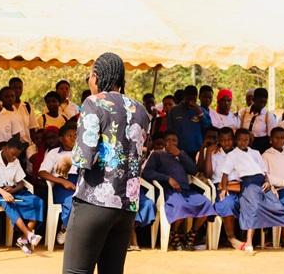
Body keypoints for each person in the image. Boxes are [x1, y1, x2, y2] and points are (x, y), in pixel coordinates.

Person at [64, 53, 148, 274]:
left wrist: (66, 158)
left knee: (75, 271)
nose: (89, 83)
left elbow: (84, 156)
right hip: (127, 207)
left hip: (95, 201)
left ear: (97, 77)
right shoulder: (140, 109)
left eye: (89, 78)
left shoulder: (93, 103)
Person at [219, 128, 284, 255]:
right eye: (240, 140)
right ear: (236, 140)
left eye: (246, 140)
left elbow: (264, 171)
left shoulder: (255, 153)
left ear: (249, 140)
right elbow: (225, 174)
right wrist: (224, 188)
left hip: (263, 183)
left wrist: (268, 182)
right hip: (249, 184)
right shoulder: (232, 155)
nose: (243, 142)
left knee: (279, 208)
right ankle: (249, 243)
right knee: (254, 209)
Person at [142, 131, 216, 251]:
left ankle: (191, 234)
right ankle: (174, 233)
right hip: (168, 191)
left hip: (186, 191)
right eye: (168, 140)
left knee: (206, 203)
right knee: (180, 205)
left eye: (174, 140)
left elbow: (194, 170)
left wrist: (180, 155)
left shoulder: (181, 154)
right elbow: (147, 173)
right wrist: (168, 178)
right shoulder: (157, 154)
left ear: (178, 142)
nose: (171, 143)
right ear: (164, 142)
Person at [0, 137, 44, 254]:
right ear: (5, 148)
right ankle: (28, 235)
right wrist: (3, 193)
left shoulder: (16, 162)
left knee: (38, 202)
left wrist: (13, 190)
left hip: (13, 191)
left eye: (17, 155)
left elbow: (20, 184)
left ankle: (24, 238)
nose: (14, 157)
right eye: (13, 154)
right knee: (8, 202)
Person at [202, 127, 244, 249]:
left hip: (239, 186)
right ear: (218, 140)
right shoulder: (215, 154)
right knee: (227, 202)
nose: (226, 143)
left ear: (234, 139)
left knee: (251, 201)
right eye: (223, 140)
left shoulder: (240, 153)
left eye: (229, 139)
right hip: (221, 187)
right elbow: (208, 174)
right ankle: (232, 237)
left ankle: (248, 237)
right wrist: (208, 152)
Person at [37, 125, 77, 245]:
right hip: (63, 183)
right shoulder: (54, 153)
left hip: (81, 182)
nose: (73, 139)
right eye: (69, 136)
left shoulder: (82, 152)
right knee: (70, 202)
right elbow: (42, 172)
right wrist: (63, 182)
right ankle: (67, 229)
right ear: (61, 139)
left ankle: (73, 231)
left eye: (75, 136)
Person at [167, 85, 207, 159]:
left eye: (193, 100)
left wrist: (200, 114)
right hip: (179, 151)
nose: (191, 102)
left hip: (197, 151)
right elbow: (169, 131)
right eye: (189, 99)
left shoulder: (202, 111)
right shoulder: (174, 111)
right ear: (184, 97)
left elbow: (208, 128)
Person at [239, 88, 277, 153]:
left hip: (261, 148)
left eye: (264, 102)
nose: (262, 105)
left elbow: (271, 137)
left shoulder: (269, 116)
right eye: (260, 102)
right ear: (254, 100)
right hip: (244, 146)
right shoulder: (244, 113)